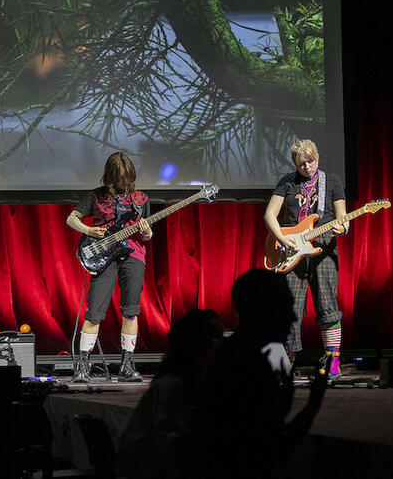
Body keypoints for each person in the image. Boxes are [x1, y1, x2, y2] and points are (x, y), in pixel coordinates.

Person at [190, 268, 328, 478]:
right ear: (265, 311)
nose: (293, 317)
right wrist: (311, 407)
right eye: (285, 307)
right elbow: (265, 453)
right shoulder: (245, 365)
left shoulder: (236, 354)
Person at [264, 138, 347, 379]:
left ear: (317, 158)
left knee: (328, 306)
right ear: (294, 163)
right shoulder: (287, 182)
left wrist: (343, 227)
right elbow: (270, 214)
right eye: (301, 164)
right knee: (290, 308)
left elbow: (342, 217)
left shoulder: (332, 181)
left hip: (323, 249)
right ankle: (286, 362)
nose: (306, 167)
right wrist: (281, 237)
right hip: (292, 251)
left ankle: (332, 361)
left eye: (310, 161)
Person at [67, 151, 153, 383]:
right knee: (94, 311)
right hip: (104, 255)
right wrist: (88, 230)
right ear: (111, 176)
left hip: (134, 254)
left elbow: (146, 235)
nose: (125, 182)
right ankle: (83, 366)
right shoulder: (96, 196)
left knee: (131, 310)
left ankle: (127, 366)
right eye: (121, 178)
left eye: (128, 177)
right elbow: (71, 218)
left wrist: (147, 233)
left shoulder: (141, 198)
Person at [117, 309, 223, 479]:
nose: (220, 347)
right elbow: (171, 448)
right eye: (215, 339)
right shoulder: (173, 387)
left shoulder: (176, 383)